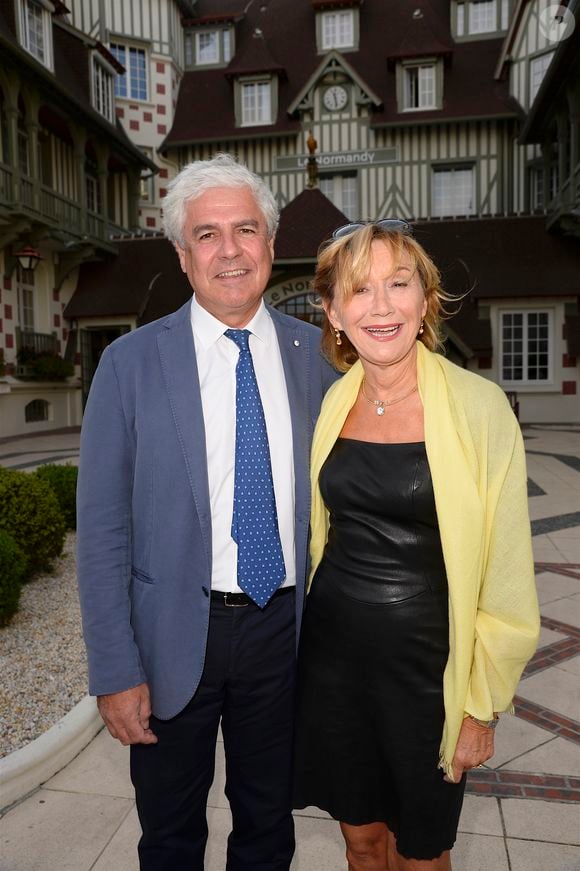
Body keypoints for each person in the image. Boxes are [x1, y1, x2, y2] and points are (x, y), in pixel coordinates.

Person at [76, 153, 337, 871]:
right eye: (208, 234)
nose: (229, 251)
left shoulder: (317, 358)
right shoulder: (128, 365)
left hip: (281, 632)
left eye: (245, 230)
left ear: (270, 241)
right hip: (168, 642)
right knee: (168, 835)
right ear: (183, 254)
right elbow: (101, 532)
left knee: (268, 827)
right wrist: (113, 667)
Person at [293, 220, 540, 871]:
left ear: (426, 300)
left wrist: (480, 703)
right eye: (359, 289)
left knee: (422, 850)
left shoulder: (480, 408)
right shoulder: (333, 403)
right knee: (362, 842)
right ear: (333, 311)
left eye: (398, 284)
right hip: (334, 663)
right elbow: (323, 535)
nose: (380, 306)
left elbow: (507, 573)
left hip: (430, 675)